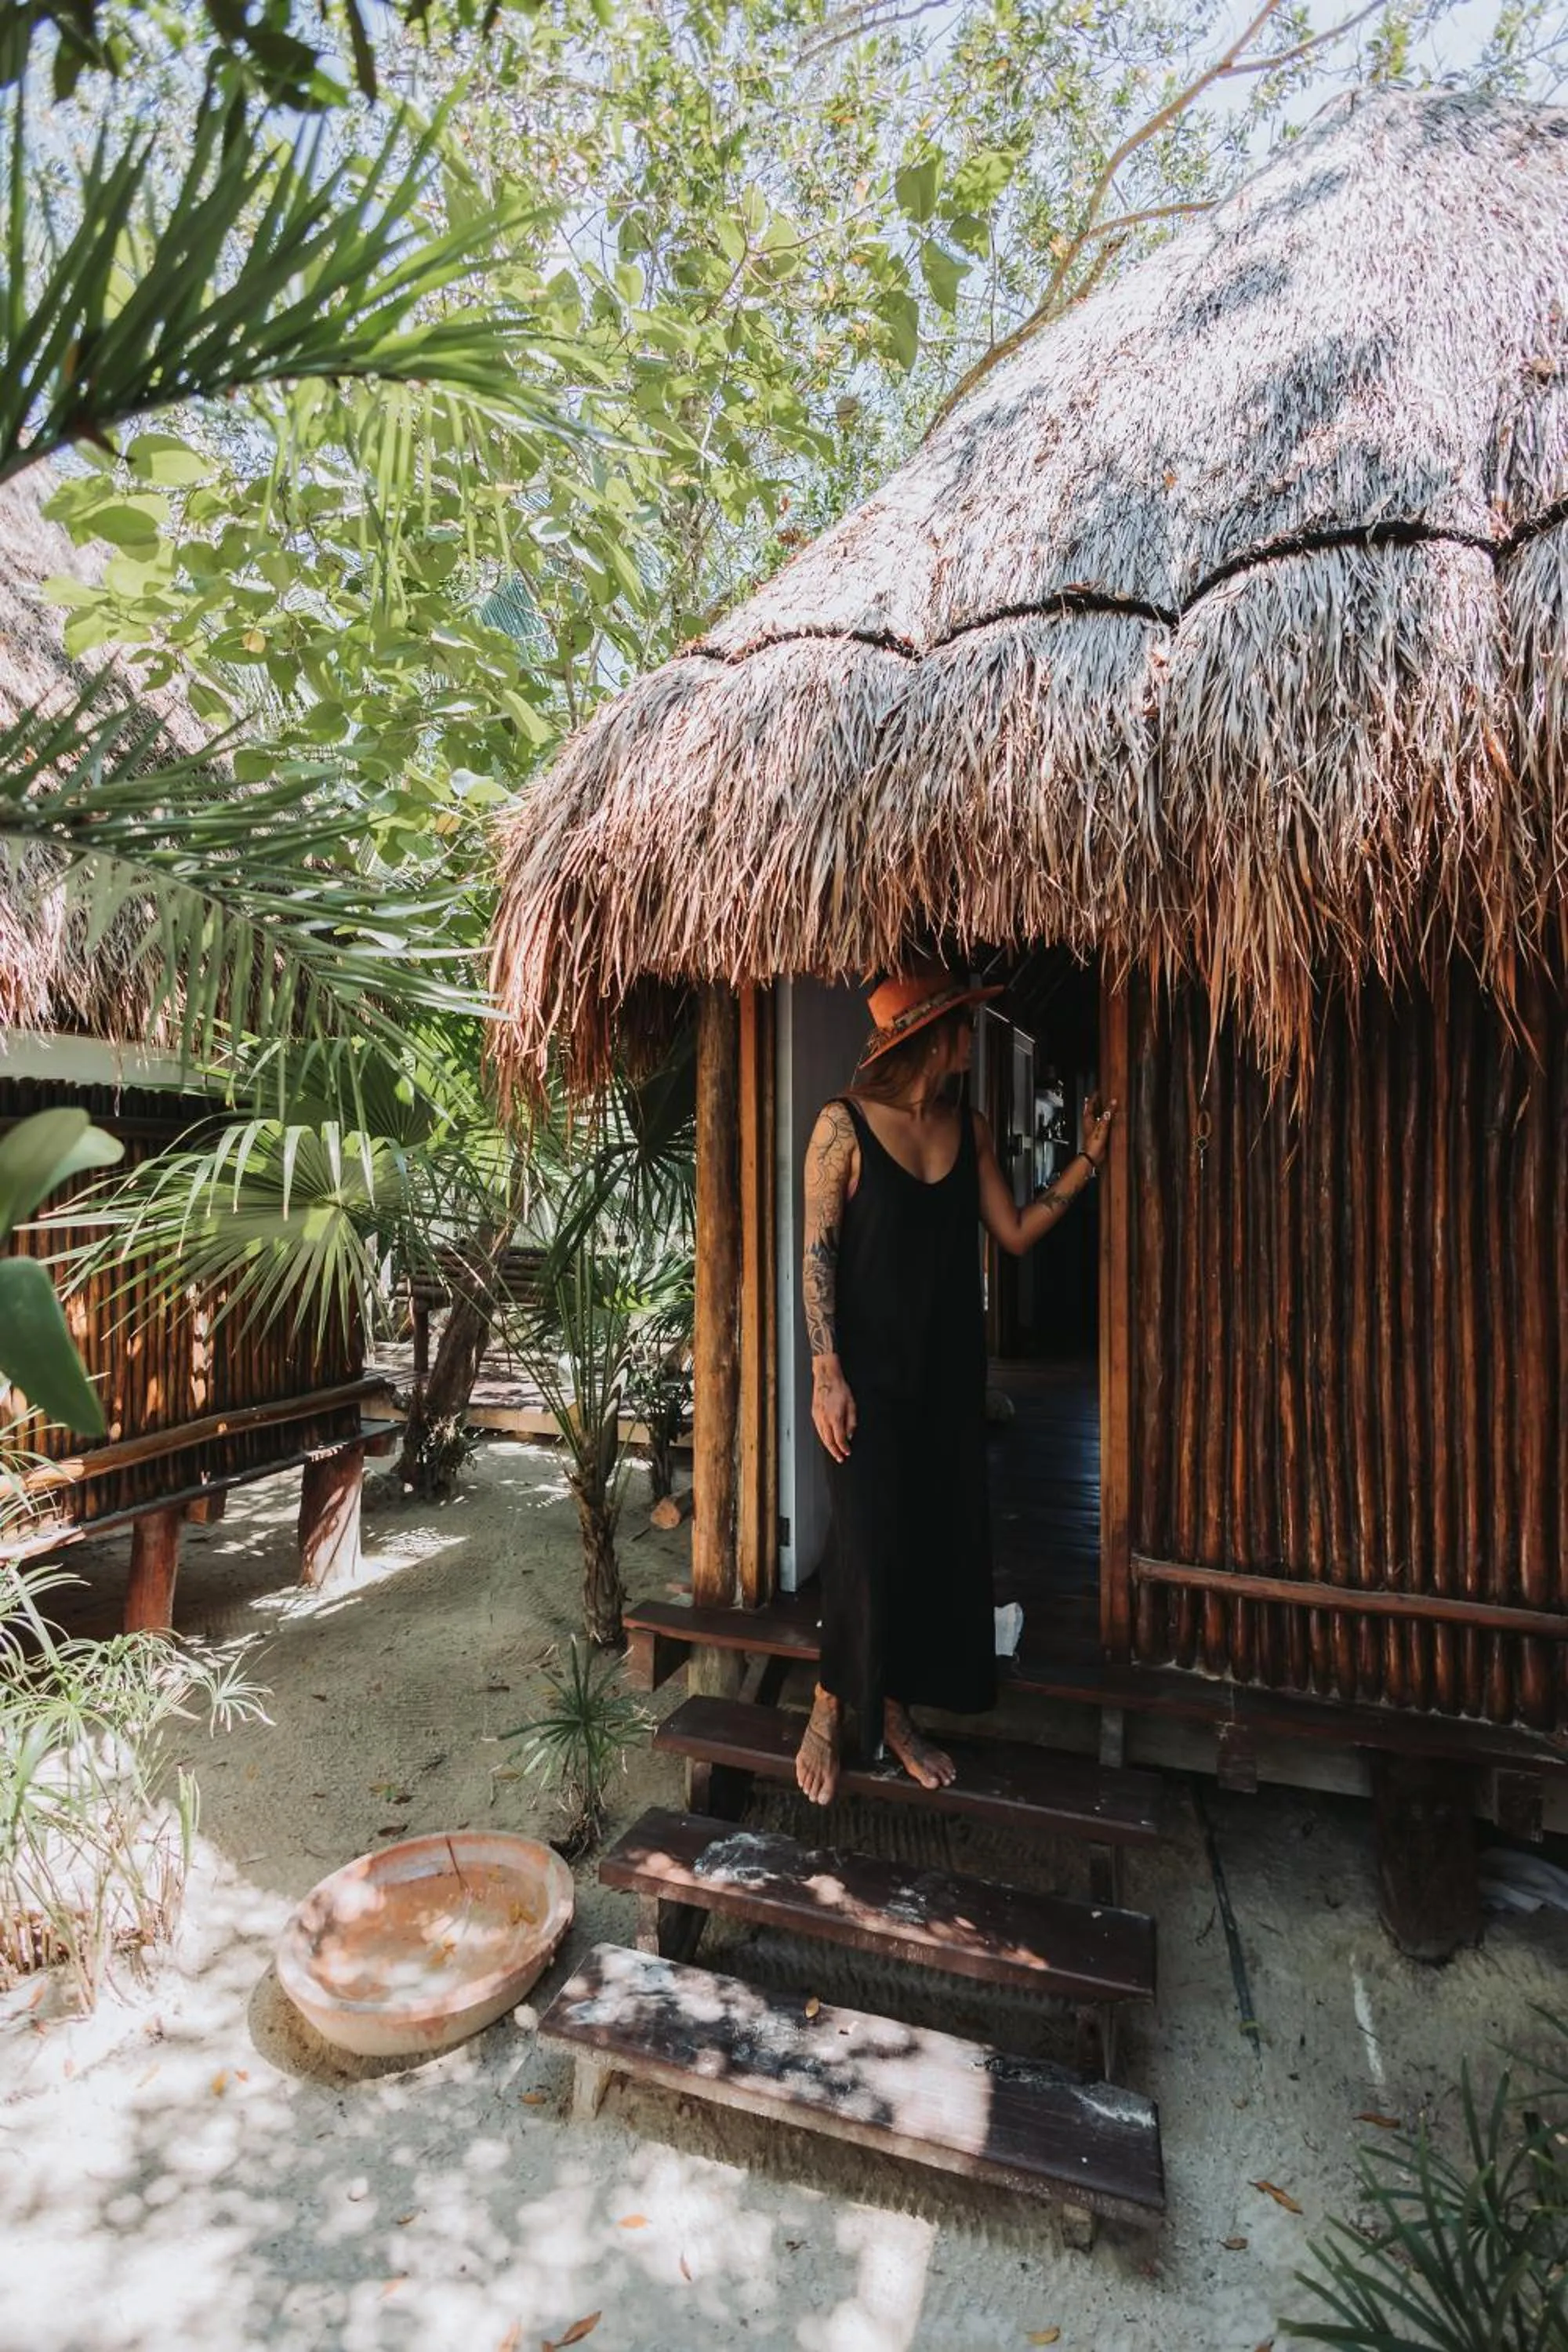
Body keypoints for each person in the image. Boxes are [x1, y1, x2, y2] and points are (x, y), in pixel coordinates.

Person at [795, 963, 1116, 1806]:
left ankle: (892, 1711)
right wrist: (826, 1372)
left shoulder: (968, 1128)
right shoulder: (840, 1127)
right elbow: (816, 1258)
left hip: (945, 1377)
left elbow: (1010, 1235)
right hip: (864, 1380)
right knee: (864, 1539)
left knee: (930, 1545)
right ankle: (831, 1706)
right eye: (963, 1026)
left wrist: (1083, 1162)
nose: (971, 1038)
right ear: (929, 1039)